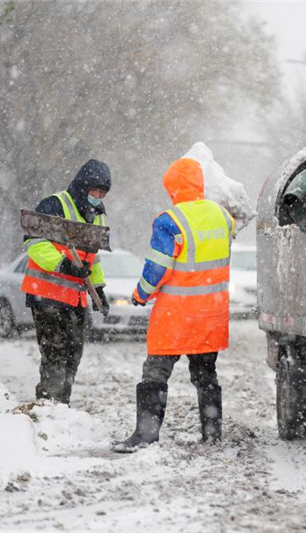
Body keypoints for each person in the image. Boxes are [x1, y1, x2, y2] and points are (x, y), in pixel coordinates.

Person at [112, 156, 234, 453]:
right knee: (206, 375)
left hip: (176, 313)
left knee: (155, 372)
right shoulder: (223, 216)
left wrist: (141, 294)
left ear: (174, 188)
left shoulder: (170, 220)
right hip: (212, 312)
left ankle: (146, 434)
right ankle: (212, 432)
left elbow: (157, 267)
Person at [21, 159, 111, 405]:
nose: (97, 196)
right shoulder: (54, 204)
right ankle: (48, 406)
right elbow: (33, 242)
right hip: (47, 295)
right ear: (82, 186)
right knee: (54, 355)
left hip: (76, 298)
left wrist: (99, 290)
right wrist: (63, 264)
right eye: (94, 190)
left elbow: (93, 258)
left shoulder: (98, 216)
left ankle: (63, 405)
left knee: (73, 355)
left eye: (102, 192)